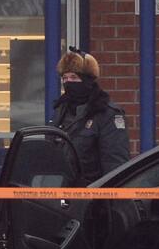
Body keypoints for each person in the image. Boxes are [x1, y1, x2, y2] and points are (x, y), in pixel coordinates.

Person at [52, 48, 130, 185]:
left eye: (74, 77)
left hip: (93, 194)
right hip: (61, 193)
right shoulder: (61, 111)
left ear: (87, 80)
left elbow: (115, 163)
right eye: (65, 78)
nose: (68, 82)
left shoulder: (107, 114)